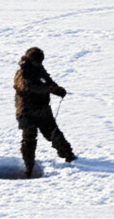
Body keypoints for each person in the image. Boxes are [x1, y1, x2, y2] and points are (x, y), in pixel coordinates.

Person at [14, 47, 76, 179]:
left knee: (53, 132)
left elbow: (47, 80)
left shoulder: (38, 68)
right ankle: (28, 167)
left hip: (42, 109)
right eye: (37, 61)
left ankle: (69, 157)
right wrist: (49, 89)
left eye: (40, 61)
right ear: (31, 59)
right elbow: (27, 87)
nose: (39, 63)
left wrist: (56, 87)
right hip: (26, 111)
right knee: (29, 139)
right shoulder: (21, 72)